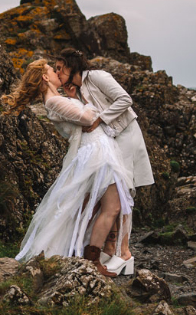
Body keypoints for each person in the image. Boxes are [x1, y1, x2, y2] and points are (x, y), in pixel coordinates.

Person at [3, 59, 134, 277]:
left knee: (105, 206)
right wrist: (93, 107)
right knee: (111, 206)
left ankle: (99, 255)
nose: (57, 73)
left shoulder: (57, 99)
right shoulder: (52, 102)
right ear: (45, 77)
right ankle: (94, 260)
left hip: (98, 149)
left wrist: (74, 98)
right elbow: (85, 118)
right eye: (52, 70)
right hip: (96, 152)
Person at [54, 49, 154, 275]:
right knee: (110, 192)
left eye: (60, 67)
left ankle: (124, 252)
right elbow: (85, 115)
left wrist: (101, 119)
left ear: (72, 66)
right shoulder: (79, 89)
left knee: (123, 191)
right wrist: (73, 98)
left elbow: (125, 99)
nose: (57, 72)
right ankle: (111, 247)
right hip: (109, 141)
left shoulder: (96, 76)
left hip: (125, 135)